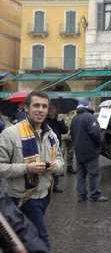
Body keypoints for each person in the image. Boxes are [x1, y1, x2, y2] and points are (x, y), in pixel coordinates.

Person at [0, 91, 64, 250]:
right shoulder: (10, 133)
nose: (41, 110)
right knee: (41, 243)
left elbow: (61, 161)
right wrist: (26, 168)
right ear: (26, 108)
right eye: (36, 105)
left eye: (44, 106)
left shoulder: (51, 135)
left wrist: (55, 166)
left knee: (22, 243)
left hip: (44, 196)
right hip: (21, 199)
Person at [70, 100, 108, 202]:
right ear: (87, 105)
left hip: (79, 151)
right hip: (90, 151)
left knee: (81, 175)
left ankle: (81, 195)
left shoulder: (74, 119)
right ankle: (95, 195)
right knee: (94, 174)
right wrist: (100, 141)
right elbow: (95, 134)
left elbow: (72, 135)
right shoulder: (90, 117)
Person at [46, 104, 68, 193]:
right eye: (50, 110)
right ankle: (47, 185)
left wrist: (60, 121)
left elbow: (65, 130)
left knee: (56, 165)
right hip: (47, 145)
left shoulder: (58, 120)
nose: (52, 112)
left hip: (57, 145)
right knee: (48, 165)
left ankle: (55, 186)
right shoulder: (45, 120)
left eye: (53, 110)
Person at [62, 110, 77, 174]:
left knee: (70, 153)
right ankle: (60, 169)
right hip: (62, 136)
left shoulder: (75, 114)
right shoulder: (61, 114)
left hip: (71, 136)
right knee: (61, 152)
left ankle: (69, 168)